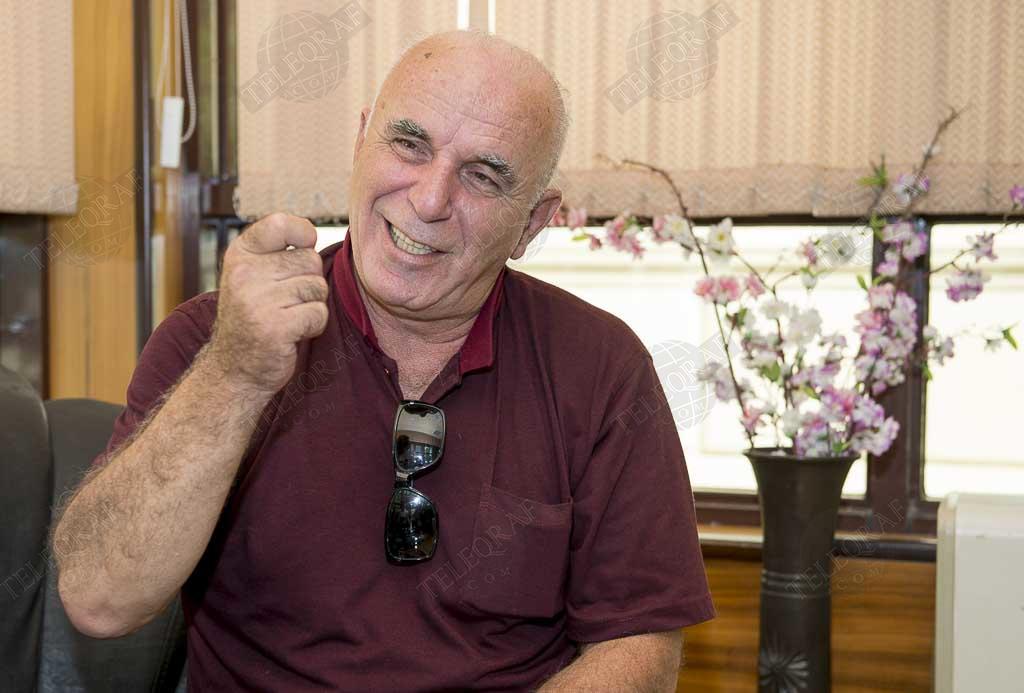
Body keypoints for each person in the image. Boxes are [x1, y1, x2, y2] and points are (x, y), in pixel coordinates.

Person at [52, 30, 714, 691]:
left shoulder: (600, 368)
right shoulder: (214, 338)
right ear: (360, 142)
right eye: (409, 144)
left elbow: (639, 646)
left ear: (532, 223)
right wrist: (236, 373)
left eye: (482, 176)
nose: (429, 200)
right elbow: (99, 599)